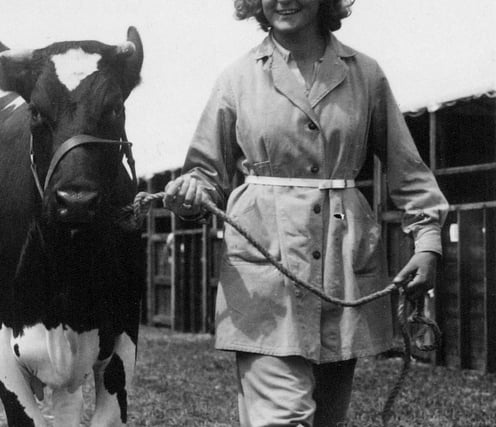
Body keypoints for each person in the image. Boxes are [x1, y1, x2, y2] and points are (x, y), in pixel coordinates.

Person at [163, 0, 449, 426]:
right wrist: (189, 192)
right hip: (266, 278)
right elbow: (206, 172)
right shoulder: (236, 78)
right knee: (282, 418)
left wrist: (427, 241)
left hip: (344, 269)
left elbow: (407, 168)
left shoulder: (365, 74)